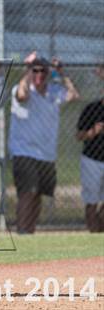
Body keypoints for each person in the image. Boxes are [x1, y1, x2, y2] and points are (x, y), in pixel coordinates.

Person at [8, 51, 80, 234]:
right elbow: (22, 95)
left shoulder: (54, 92)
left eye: (43, 71)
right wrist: (28, 70)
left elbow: (74, 96)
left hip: (46, 155)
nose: (39, 74)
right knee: (28, 193)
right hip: (24, 152)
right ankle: (22, 233)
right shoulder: (22, 88)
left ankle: (29, 232)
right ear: (30, 72)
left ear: (48, 73)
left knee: (38, 195)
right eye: (35, 70)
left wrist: (62, 73)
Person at [76, 65, 104, 232]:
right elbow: (78, 136)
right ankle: (93, 236)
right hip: (91, 161)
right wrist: (93, 132)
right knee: (91, 201)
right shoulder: (92, 108)